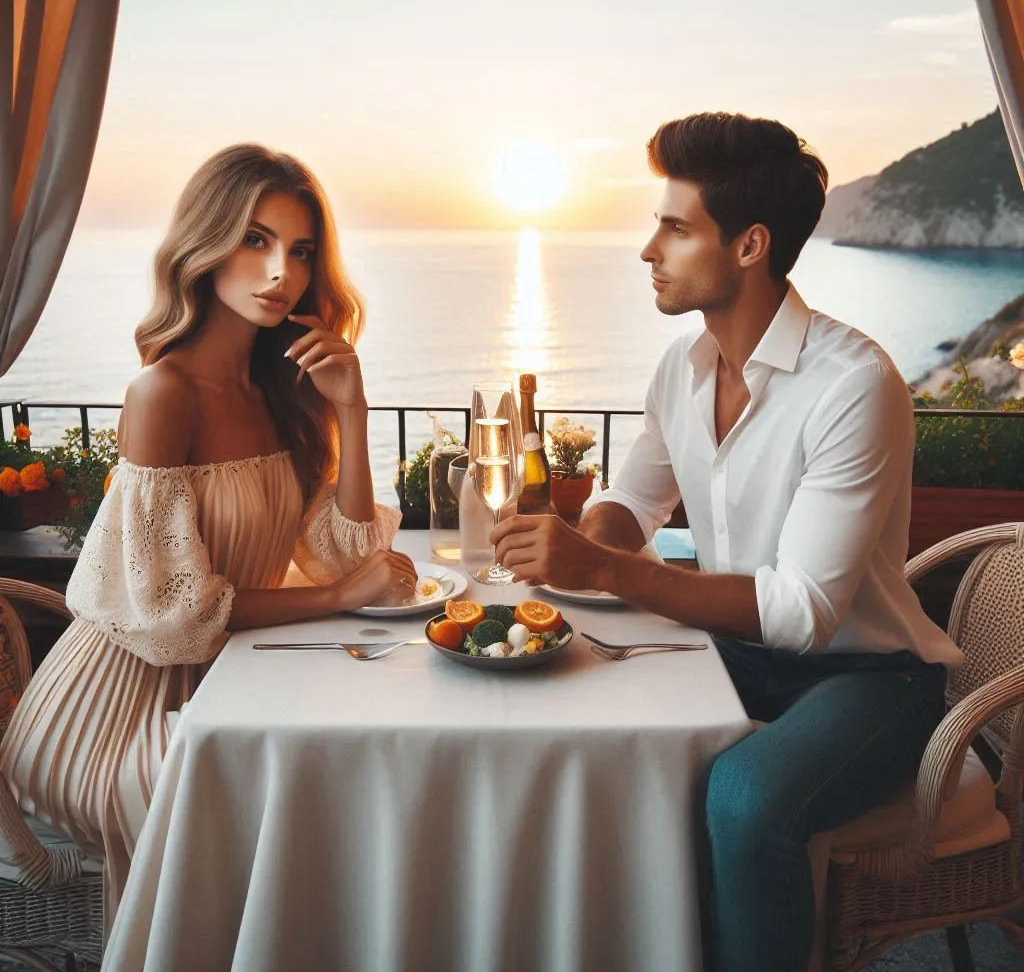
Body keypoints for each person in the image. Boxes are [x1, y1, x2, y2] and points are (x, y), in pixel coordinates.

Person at [491, 112, 963, 971]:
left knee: (746, 797)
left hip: (870, 676)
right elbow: (633, 502)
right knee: (577, 715)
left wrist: (602, 568)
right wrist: (574, 542)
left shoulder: (854, 386)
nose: (648, 249)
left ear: (749, 246)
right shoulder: (683, 367)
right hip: (737, 653)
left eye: (674, 227)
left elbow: (803, 611)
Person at [0, 144, 417, 930]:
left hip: (231, 679)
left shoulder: (285, 390)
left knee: (352, 772)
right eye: (254, 240)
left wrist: (353, 411)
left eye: (298, 251)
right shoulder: (164, 395)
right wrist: (333, 599)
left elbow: (348, 551)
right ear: (205, 242)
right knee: (284, 808)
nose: (279, 273)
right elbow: (171, 616)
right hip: (116, 708)